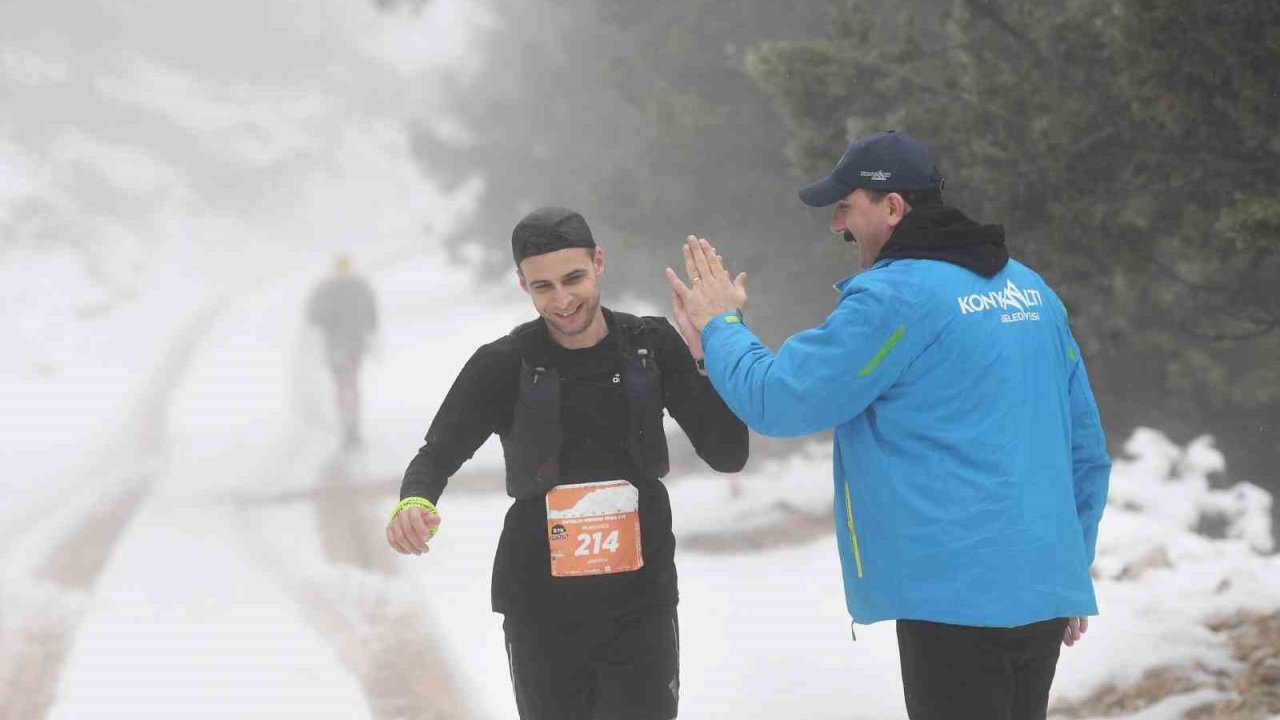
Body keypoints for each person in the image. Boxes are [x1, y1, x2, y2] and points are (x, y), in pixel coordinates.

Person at [665, 130, 1111, 720]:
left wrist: (721, 327)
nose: (836, 226)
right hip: (1041, 588)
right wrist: (1068, 569)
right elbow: (1085, 447)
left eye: (845, 207)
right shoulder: (1030, 290)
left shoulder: (896, 298)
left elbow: (782, 400)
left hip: (954, 598)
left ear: (893, 207)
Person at [386, 206, 749, 720]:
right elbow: (436, 456)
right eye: (543, 287)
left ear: (599, 262)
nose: (562, 301)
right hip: (540, 608)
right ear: (522, 285)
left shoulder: (650, 345)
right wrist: (414, 502)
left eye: (573, 278)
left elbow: (729, 453)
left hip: (639, 604)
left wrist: (710, 353)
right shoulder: (503, 362)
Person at [306, 254, 378, 448]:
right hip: (354, 344)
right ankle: (352, 424)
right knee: (351, 383)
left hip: (336, 345)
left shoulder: (326, 290)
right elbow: (372, 316)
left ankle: (347, 424)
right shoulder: (359, 287)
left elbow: (312, 317)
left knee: (342, 385)